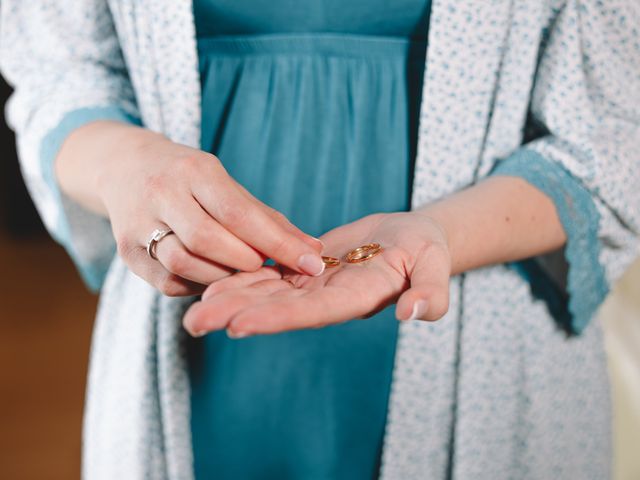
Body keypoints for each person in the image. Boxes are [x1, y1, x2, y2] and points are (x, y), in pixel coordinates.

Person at [1, 1, 639, 479]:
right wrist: (127, 168)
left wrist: (440, 234)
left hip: (487, 358)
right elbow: (63, 77)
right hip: (192, 342)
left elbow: (615, 133)